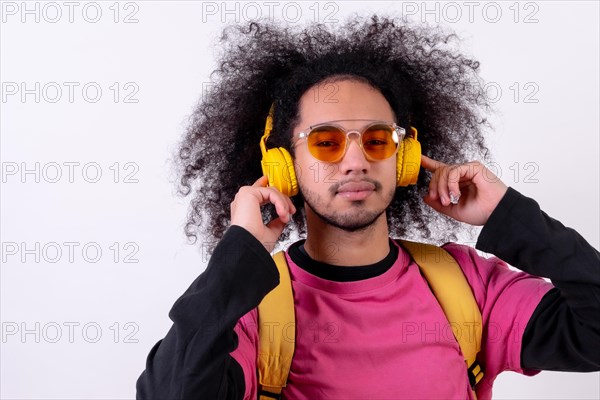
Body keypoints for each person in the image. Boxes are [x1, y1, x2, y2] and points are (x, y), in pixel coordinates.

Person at [136, 15, 600, 399]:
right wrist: (239, 253)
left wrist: (509, 215)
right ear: (284, 166)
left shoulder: (468, 287)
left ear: (404, 159)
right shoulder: (251, 305)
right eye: (326, 142)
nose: (356, 160)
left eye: (378, 140)